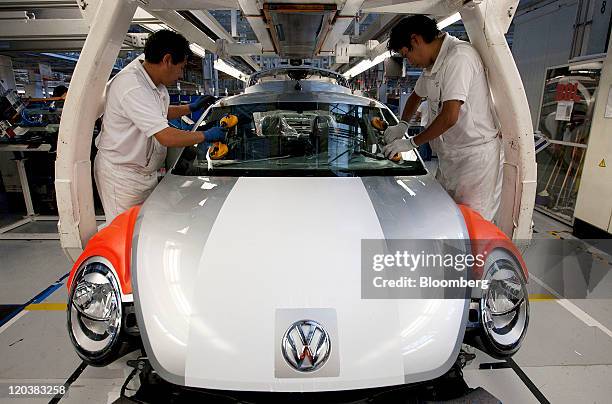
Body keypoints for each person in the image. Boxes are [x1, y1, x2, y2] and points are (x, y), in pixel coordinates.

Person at [382, 15, 503, 221]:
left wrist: (411, 143)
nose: (409, 61)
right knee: (449, 220)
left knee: (472, 226)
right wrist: (402, 124)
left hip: (474, 160)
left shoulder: (459, 58)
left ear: (415, 40)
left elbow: (449, 116)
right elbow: (415, 96)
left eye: (406, 54)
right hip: (450, 157)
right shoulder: (433, 64)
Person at [94, 29, 222, 222]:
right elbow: (165, 136)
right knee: (126, 231)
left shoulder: (154, 83)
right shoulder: (132, 86)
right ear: (167, 60)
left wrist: (190, 107)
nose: (180, 74)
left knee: (144, 229)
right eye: (181, 67)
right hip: (123, 177)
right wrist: (206, 135)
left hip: (143, 173)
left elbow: (157, 113)